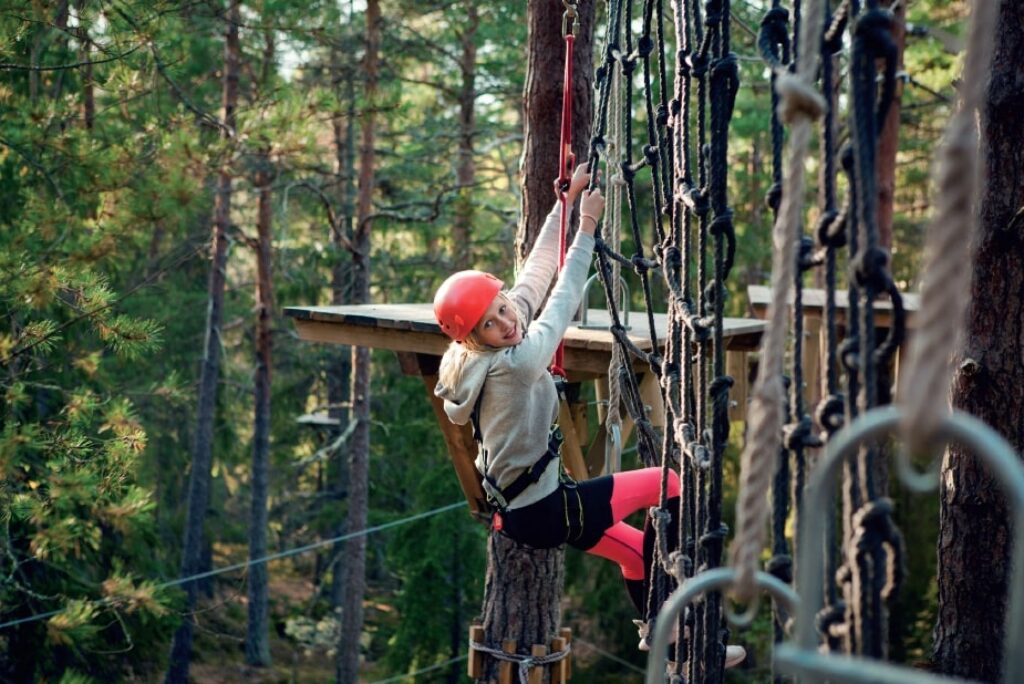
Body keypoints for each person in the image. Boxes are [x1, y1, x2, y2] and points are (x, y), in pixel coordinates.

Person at [432, 165, 744, 667]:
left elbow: (534, 276)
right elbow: (560, 301)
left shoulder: (491, 345)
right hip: (545, 508)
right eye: (490, 324)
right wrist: (587, 229)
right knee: (674, 483)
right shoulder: (513, 364)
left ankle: (658, 636)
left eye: (502, 309)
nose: (506, 322)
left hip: (527, 513)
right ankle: (699, 619)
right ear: (474, 340)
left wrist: (565, 203)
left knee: (636, 550)